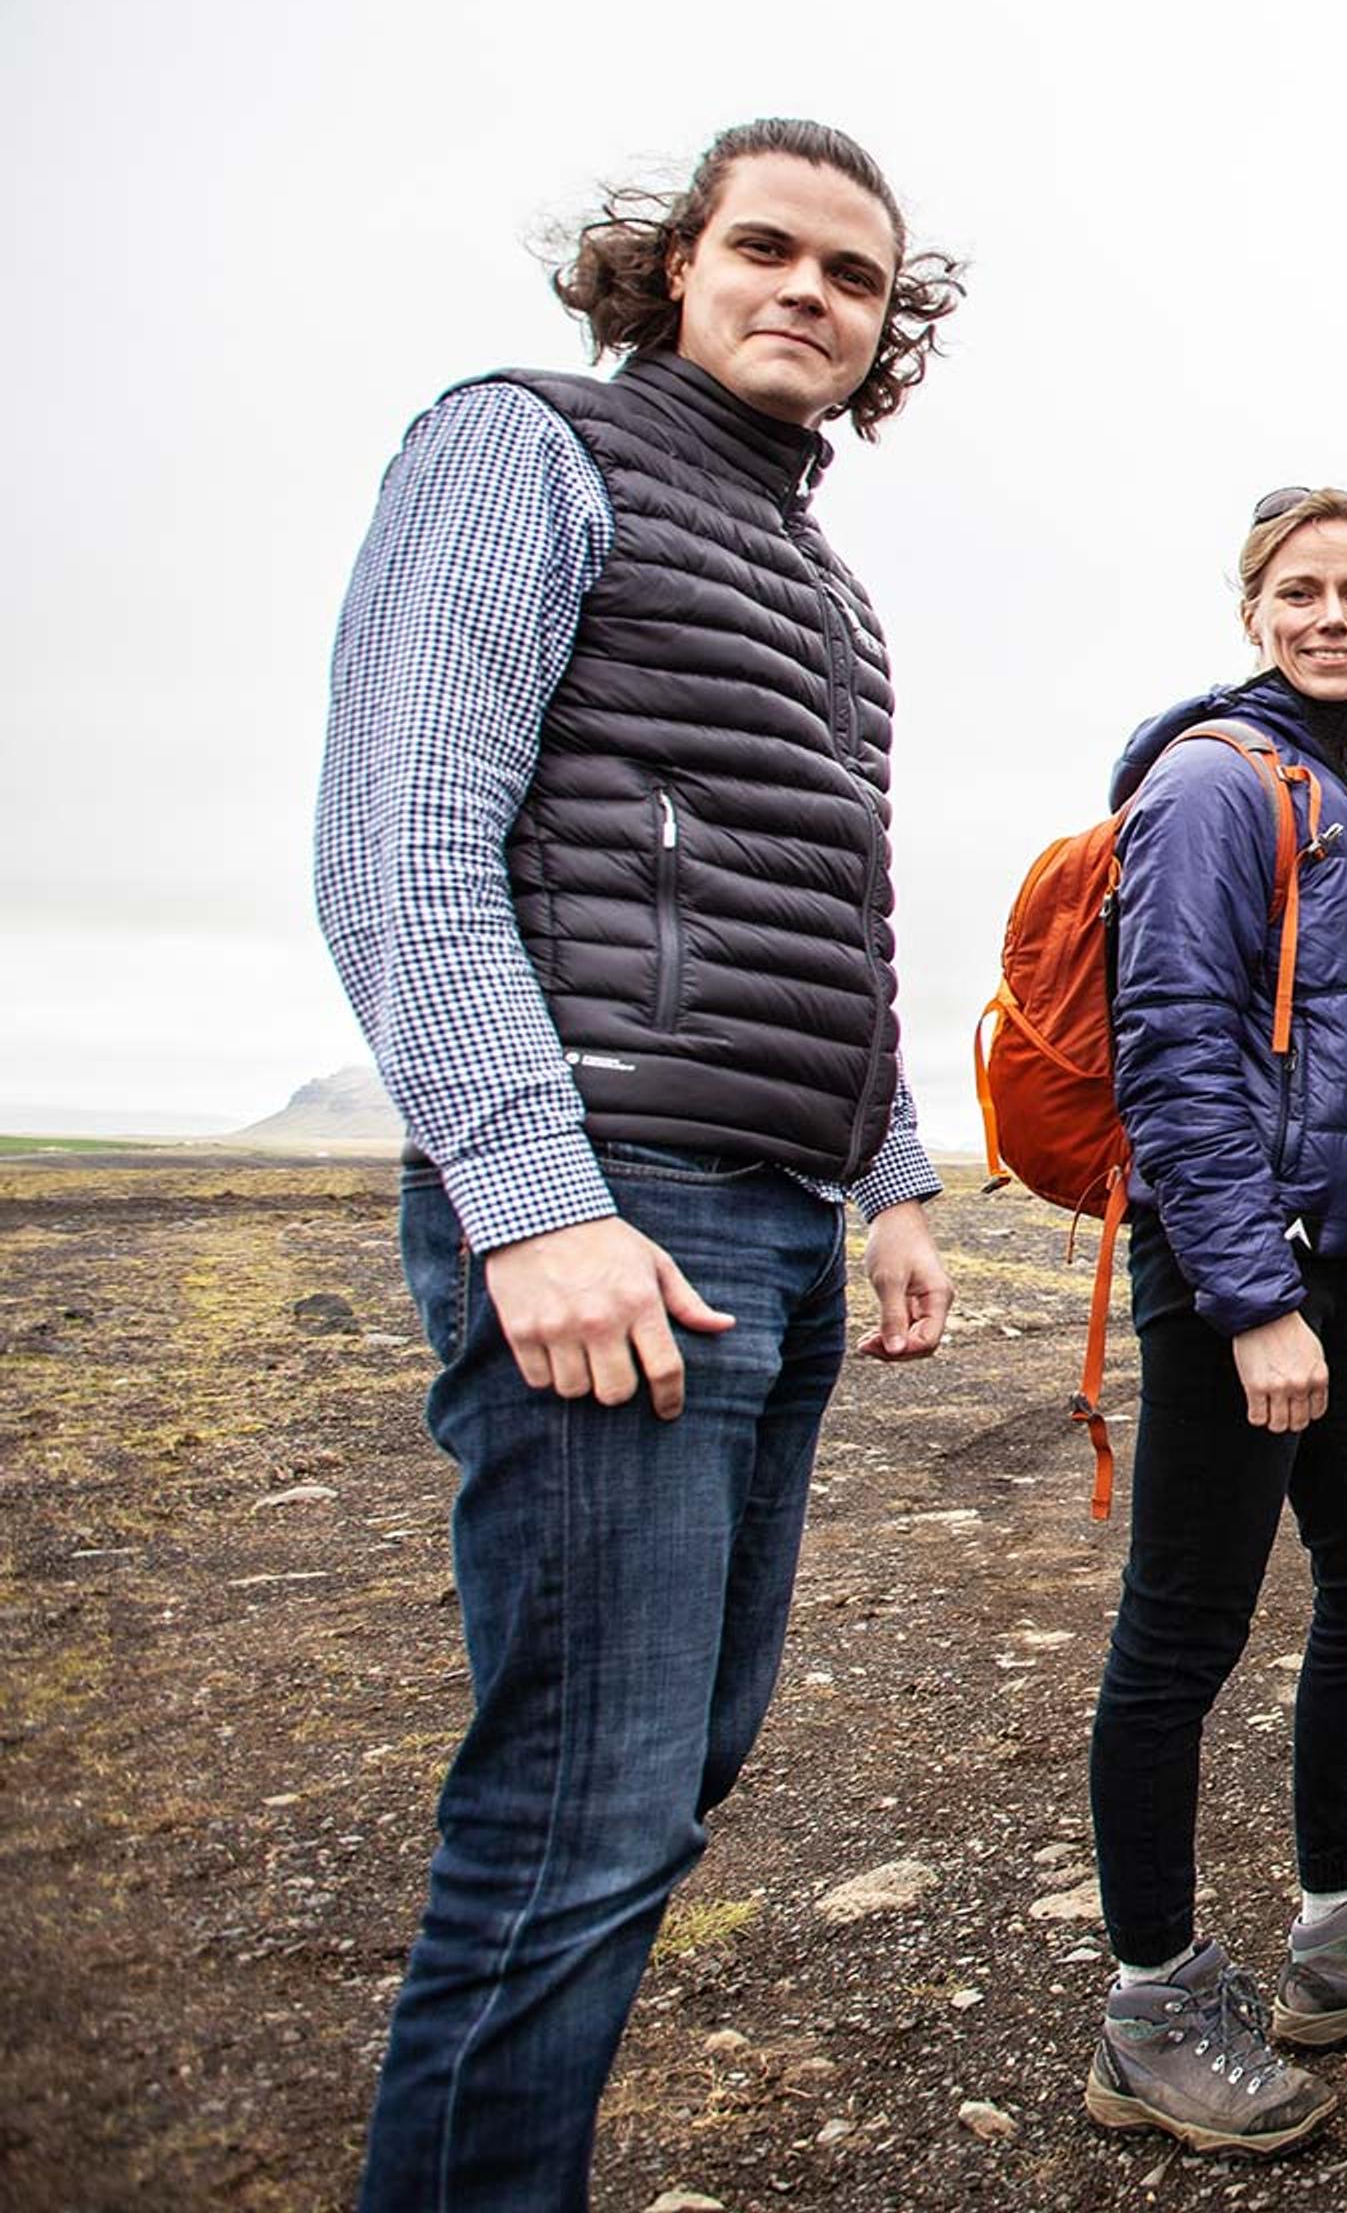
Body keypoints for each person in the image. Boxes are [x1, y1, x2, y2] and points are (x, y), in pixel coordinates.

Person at [314, 118, 963, 2209]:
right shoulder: (531, 450)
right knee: (577, 1812)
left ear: (887, 335)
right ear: (671, 268)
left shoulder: (834, 599)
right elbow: (402, 841)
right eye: (765, 248)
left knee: (662, 1783)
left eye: (854, 277)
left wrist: (892, 1178)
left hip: (762, 1226)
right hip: (613, 1209)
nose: (809, 292)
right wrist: (531, 1191)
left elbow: (828, 914)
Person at [1080, 484, 1347, 2160]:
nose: (1332, 614)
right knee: (1180, 1638)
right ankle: (1151, 2006)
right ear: (1252, 607)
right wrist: (1254, 1298)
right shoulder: (1207, 785)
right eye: (1301, 589)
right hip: (1232, 1282)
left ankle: (1337, 1926)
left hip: (1329, 1272)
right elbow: (1175, 1050)